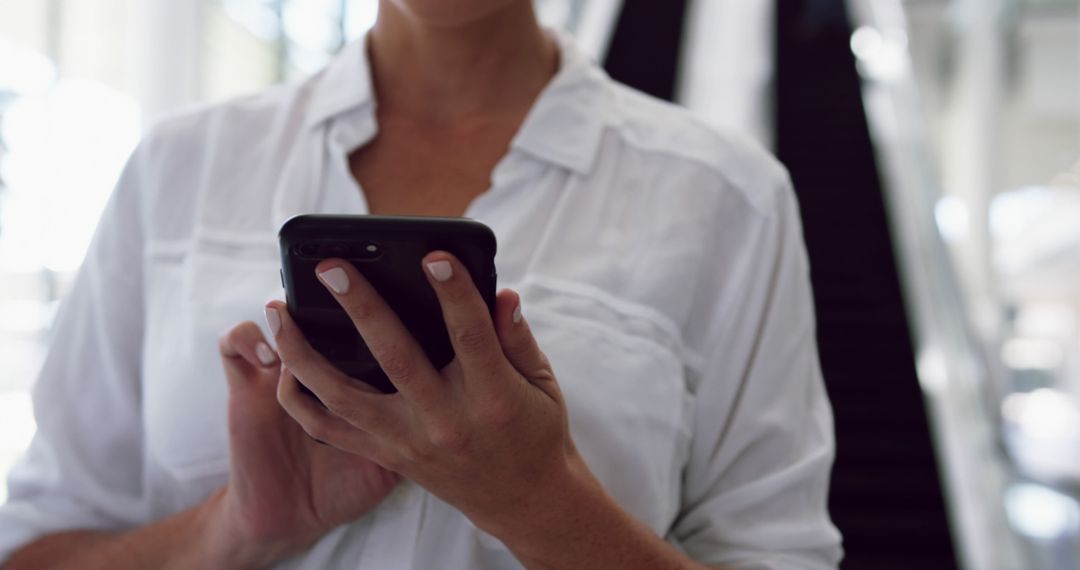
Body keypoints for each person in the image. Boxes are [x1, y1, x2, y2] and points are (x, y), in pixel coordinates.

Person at [0, 1, 842, 568]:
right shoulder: (182, 164)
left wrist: (537, 502)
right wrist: (237, 526)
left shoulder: (725, 195)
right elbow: (36, 549)